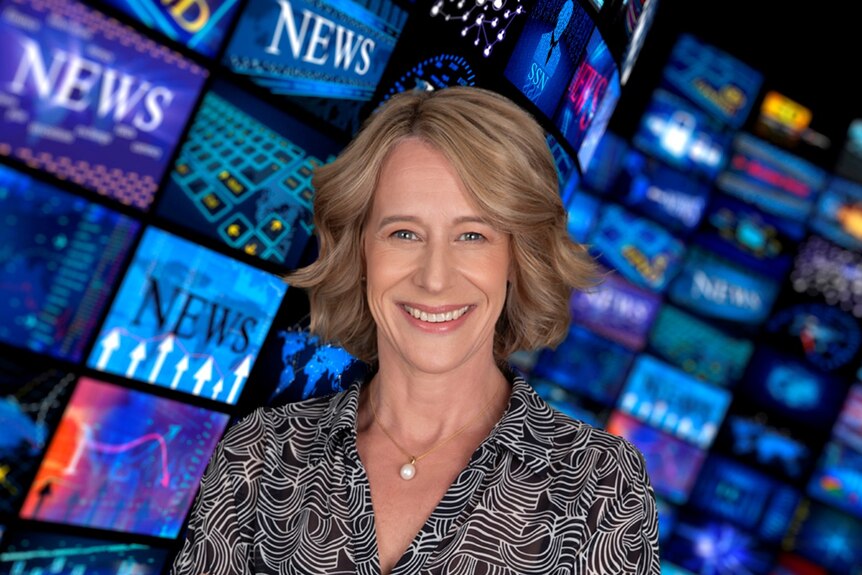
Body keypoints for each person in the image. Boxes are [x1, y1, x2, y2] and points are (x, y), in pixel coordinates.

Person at [171, 86, 660, 575]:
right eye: (404, 233)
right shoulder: (257, 455)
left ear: (517, 256)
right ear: (360, 250)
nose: (434, 278)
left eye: (473, 235)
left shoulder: (599, 484)